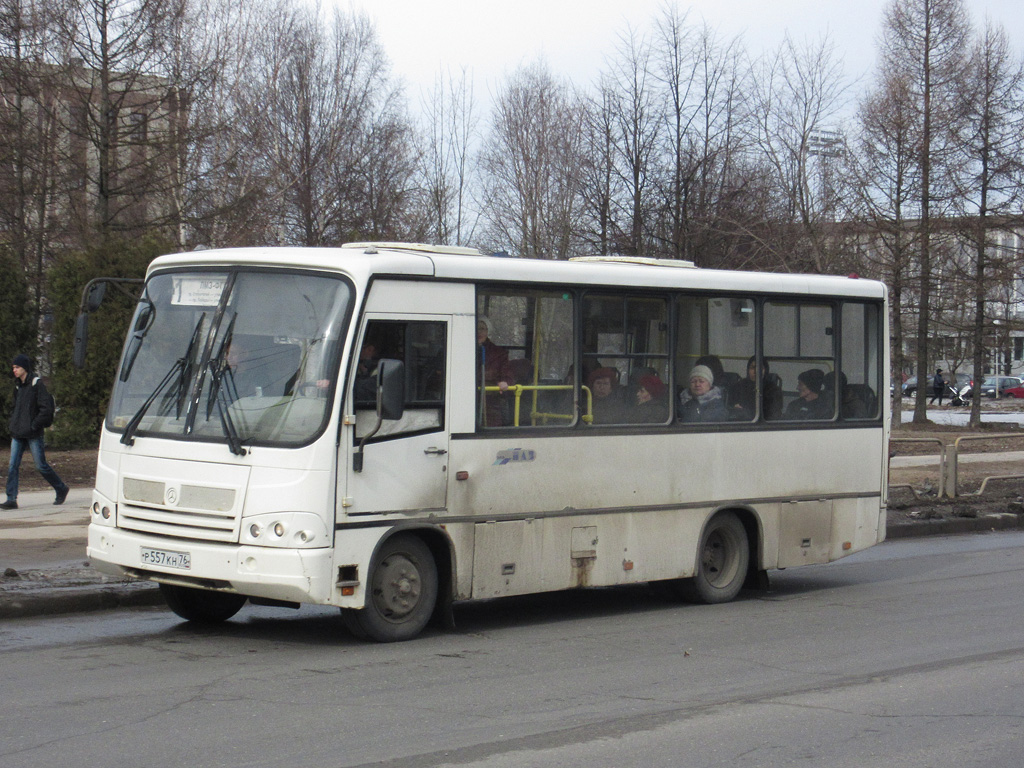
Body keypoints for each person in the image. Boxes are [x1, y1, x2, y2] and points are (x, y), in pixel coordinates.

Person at [2, 355, 68, 509]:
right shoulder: (18, 386)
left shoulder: (36, 384)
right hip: (18, 432)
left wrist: (35, 425)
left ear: (24, 367)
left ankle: (61, 488)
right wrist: (14, 424)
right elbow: (16, 408)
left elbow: (46, 408)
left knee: (41, 465)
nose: (14, 370)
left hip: (33, 433)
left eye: (17, 367)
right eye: (13, 368)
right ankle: (11, 499)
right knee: (12, 465)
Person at [478, 317, 517, 426]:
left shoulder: (499, 353)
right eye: (476, 328)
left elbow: (508, 375)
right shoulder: (460, 349)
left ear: (488, 331)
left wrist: (505, 382)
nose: (479, 332)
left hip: (490, 402)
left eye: (482, 328)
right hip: (465, 400)